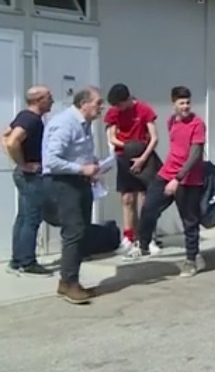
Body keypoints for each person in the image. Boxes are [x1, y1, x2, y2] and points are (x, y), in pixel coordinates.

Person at [125, 87, 206, 278]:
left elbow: (195, 154)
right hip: (166, 173)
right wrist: (170, 176)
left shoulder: (198, 124)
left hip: (188, 179)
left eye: (188, 102)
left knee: (189, 220)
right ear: (174, 104)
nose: (185, 106)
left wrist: (178, 179)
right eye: (181, 103)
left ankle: (191, 260)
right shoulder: (171, 121)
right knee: (149, 207)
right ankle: (143, 244)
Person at [42, 86, 104, 305]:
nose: (101, 107)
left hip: (80, 182)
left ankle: (69, 282)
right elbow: (52, 160)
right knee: (74, 231)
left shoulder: (85, 124)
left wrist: (92, 164)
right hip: (63, 183)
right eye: (98, 103)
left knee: (82, 231)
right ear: (83, 103)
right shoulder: (65, 123)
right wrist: (81, 169)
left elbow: (78, 153)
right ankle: (69, 283)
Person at [2, 86, 54, 276]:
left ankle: (17, 260)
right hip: (30, 176)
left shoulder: (24, 117)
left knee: (24, 217)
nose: (52, 100)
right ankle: (27, 262)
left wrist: (17, 161)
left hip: (25, 175)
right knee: (31, 218)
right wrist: (23, 164)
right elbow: (11, 141)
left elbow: (5, 135)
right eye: (49, 97)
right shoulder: (31, 120)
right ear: (38, 100)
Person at [104, 84, 160, 253]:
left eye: (120, 104)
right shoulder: (113, 113)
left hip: (144, 155)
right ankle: (129, 237)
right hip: (125, 156)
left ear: (128, 99)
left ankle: (148, 237)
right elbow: (112, 137)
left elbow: (154, 138)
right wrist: (128, 146)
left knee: (146, 198)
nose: (117, 108)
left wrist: (142, 157)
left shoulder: (144, 110)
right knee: (128, 198)